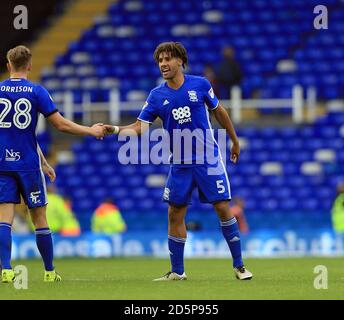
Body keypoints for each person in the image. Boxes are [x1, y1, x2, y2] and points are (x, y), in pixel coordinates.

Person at [104, 42, 252, 281]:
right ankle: (177, 271)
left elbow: (219, 111)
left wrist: (234, 140)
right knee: (174, 213)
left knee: (223, 207)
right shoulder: (156, 95)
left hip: (208, 159)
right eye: (160, 60)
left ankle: (239, 266)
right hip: (180, 163)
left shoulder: (201, 84)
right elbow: (139, 128)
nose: (163, 63)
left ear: (180, 61)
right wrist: (113, 129)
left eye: (168, 59)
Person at [0, 45, 105, 283]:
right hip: (27, 165)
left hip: (2, 164)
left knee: (3, 219)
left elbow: (18, 133)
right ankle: (49, 272)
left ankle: (5, 270)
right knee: (39, 218)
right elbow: (61, 125)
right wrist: (90, 130)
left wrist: (45, 161)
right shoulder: (37, 91)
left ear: (8, 66)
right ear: (29, 65)